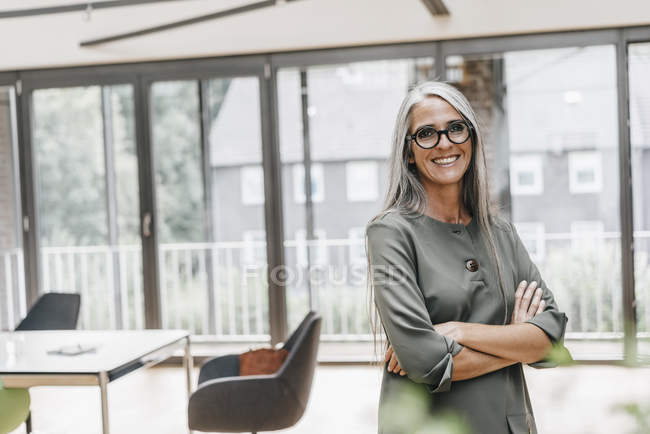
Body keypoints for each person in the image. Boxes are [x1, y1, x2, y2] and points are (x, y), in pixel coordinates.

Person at [365, 81, 569, 434]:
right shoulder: (391, 232)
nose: (445, 143)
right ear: (408, 152)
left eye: (456, 128)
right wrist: (519, 339)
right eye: (427, 133)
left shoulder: (500, 233)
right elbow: (425, 361)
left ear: (471, 138)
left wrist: (461, 331)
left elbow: (551, 339)